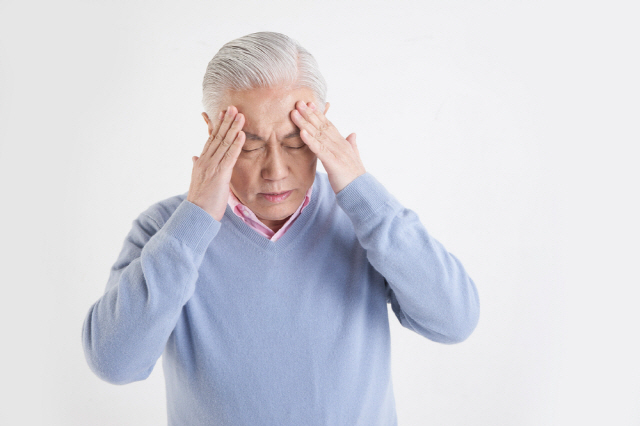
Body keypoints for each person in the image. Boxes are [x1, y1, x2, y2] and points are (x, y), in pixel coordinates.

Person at [81, 31, 480, 426]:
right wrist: (196, 218)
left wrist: (363, 193)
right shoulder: (166, 230)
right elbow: (116, 363)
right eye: (250, 145)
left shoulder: (365, 217)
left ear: (323, 125)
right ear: (212, 131)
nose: (275, 171)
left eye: (295, 142)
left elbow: (454, 320)